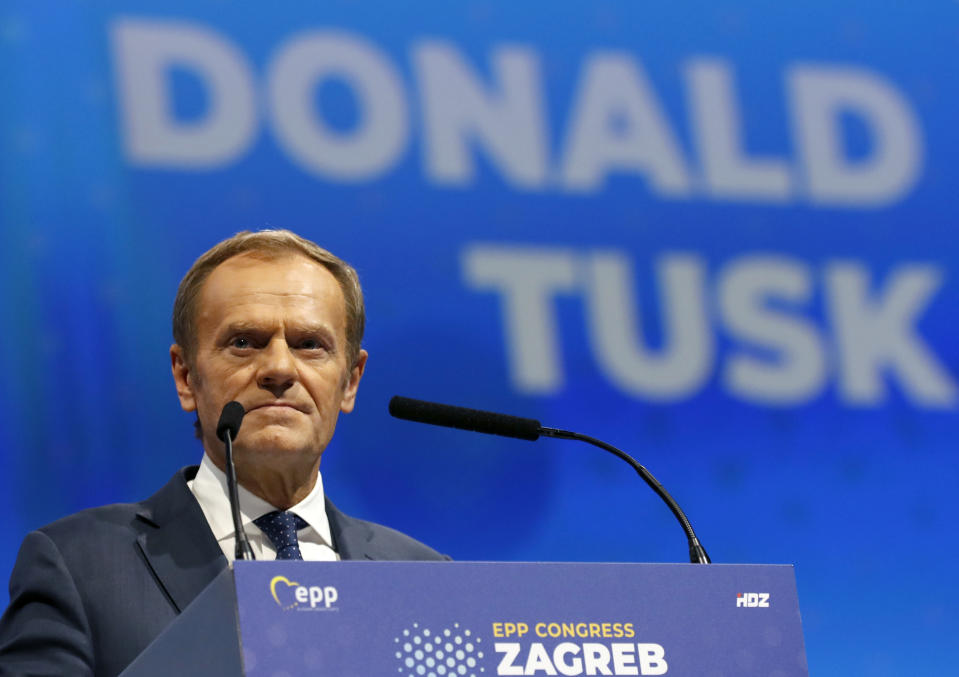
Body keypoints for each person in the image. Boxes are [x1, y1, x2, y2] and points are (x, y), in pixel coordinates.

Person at [0, 230, 446, 676]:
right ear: (185, 376)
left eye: (310, 344)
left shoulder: (426, 580)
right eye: (244, 342)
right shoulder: (80, 565)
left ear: (350, 381)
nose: (278, 369)